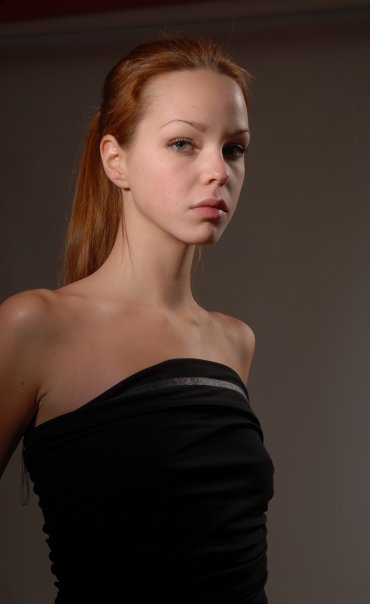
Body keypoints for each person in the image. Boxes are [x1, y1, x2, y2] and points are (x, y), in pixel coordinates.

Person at [0, 35, 274, 603]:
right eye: (183, 143)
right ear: (115, 160)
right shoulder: (34, 326)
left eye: (234, 148)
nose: (217, 171)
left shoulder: (233, 341)